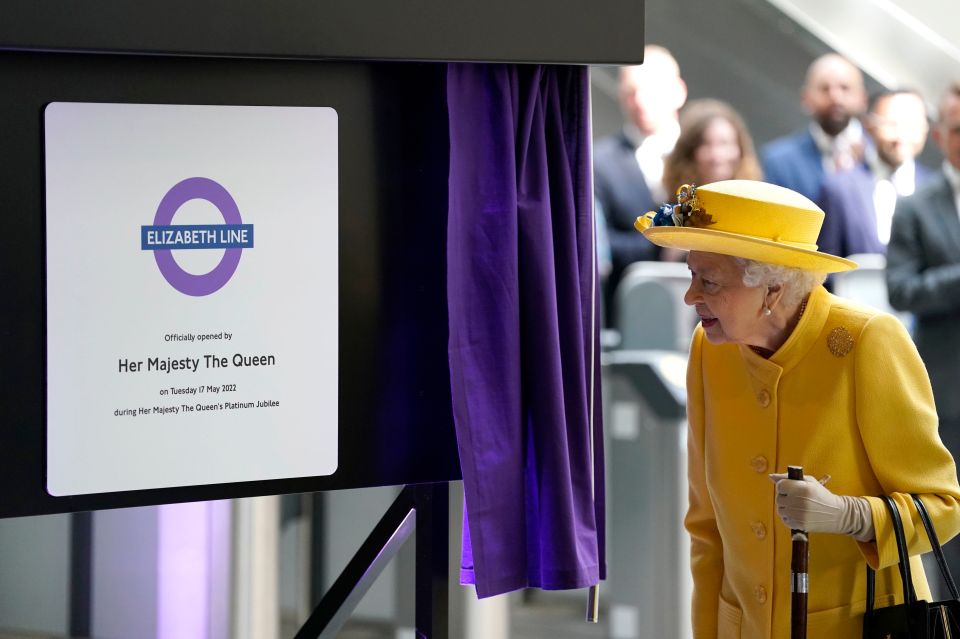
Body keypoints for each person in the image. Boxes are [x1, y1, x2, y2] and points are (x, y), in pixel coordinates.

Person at [634, 180, 960, 637]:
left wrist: (852, 515)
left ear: (772, 288)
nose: (690, 296)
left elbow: (943, 506)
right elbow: (706, 528)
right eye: (692, 275)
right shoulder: (711, 350)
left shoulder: (867, 343)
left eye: (708, 281)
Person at [887, 82, 960, 581]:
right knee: (949, 528)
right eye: (957, 129)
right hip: (950, 392)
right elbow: (902, 290)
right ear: (939, 135)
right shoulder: (915, 206)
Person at [594, 45, 687, 319]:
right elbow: (599, 242)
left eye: (651, 89)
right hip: (628, 311)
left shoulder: (708, 151)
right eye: (631, 92)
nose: (641, 101)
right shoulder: (599, 161)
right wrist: (663, 245)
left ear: (678, 91)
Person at [819, 88, 933, 258]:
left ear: (925, 129)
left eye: (911, 125)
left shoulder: (936, 190)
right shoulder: (839, 189)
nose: (901, 136)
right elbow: (825, 266)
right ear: (869, 126)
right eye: (891, 124)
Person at [761, 53, 868, 203]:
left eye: (845, 88)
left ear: (862, 98)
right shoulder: (779, 162)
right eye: (825, 89)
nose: (835, 97)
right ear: (805, 98)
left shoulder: (879, 154)